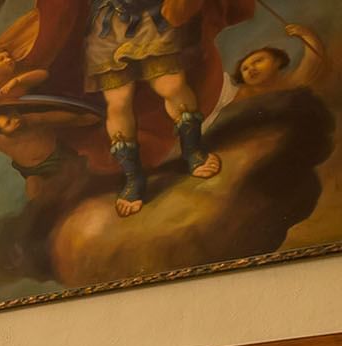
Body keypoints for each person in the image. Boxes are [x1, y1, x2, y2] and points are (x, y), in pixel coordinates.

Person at [84, 0, 223, 217]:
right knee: (119, 102)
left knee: (172, 86)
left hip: (153, 19)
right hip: (109, 26)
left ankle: (193, 151)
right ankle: (133, 178)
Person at [231, 24, 328, 103]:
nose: (251, 69)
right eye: (245, 69)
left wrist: (306, 35)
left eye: (258, 61)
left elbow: (312, 62)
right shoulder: (240, 96)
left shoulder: (290, 83)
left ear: (277, 62)